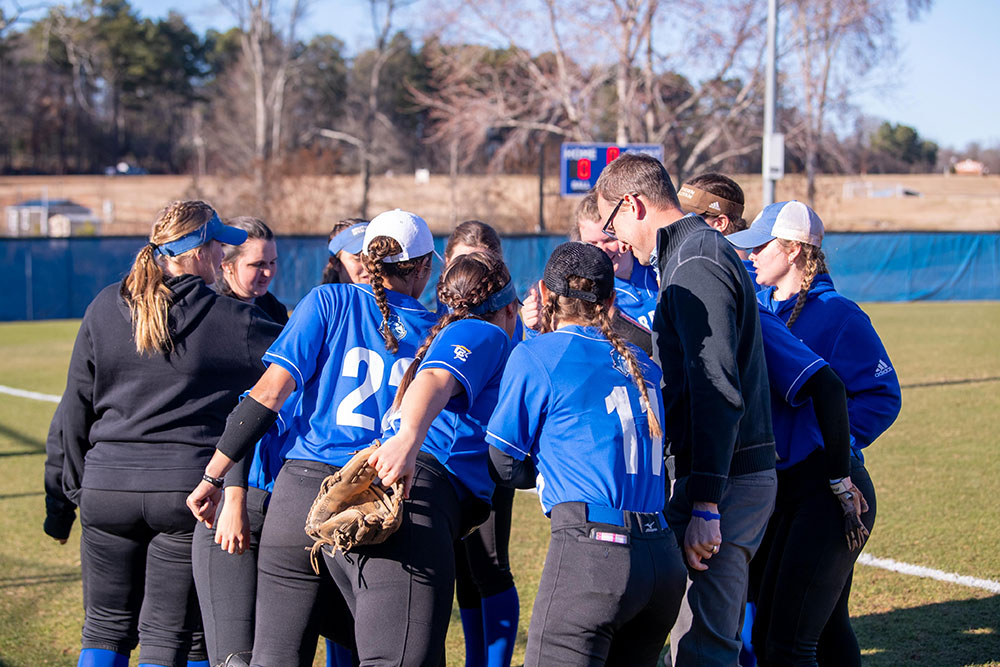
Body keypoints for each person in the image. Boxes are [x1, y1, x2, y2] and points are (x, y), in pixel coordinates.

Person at [186, 209, 439, 666]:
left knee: (276, 655)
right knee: (384, 650)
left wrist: (213, 476)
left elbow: (266, 396)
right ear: (424, 266)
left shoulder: (328, 301)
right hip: (375, 496)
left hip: (300, 495)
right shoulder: (438, 329)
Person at [43, 200, 282, 667]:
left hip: (106, 488)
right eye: (218, 247)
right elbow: (299, 364)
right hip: (185, 494)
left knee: (104, 629)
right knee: (168, 636)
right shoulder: (232, 320)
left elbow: (73, 410)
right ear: (198, 252)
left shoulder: (104, 306)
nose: (223, 257)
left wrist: (62, 500)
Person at [594, 153, 776, 667]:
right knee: (683, 638)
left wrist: (706, 504)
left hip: (724, 482)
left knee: (703, 649)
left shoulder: (696, 260)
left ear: (633, 204)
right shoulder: (687, 254)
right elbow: (679, 363)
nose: (614, 239)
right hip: (712, 478)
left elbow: (716, 389)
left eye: (612, 223)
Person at [486, 242, 687, 666]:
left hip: (594, 552)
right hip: (661, 555)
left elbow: (502, 461)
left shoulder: (538, 353)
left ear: (543, 293)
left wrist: (544, 466)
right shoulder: (643, 363)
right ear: (611, 301)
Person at [727, 201, 901, 667]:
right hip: (780, 487)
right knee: (813, 627)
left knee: (797, 639)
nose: (751, 255)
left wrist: (825, 441)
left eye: (761, 247)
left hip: (826, 487)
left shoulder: (839, 314)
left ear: (793, 250)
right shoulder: (763, 307)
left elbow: (882, 396)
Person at [354, 250, 519, 667]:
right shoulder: (484, 332)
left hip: (421, 494)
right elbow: (433, 379)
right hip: (423, 492)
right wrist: (409, 439)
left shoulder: (457, 330)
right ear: (508, 307)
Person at [441, 220, 521, 667]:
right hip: (447, 465)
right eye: (462, 262)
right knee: (459, 571)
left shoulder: (508, 322)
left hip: (487, 461)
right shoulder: (440, 320)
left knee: (489, 564)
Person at [216, 216, 288, 324]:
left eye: (272, 262)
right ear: (227, 266)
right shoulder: (214, 310)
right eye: (258, 264)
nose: (268, 272)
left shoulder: (273, 309)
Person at [322, 218, 370, 285]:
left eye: (376, 256)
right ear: (336, 263)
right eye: (358, 258)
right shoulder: (323, 292)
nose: (370, 265)